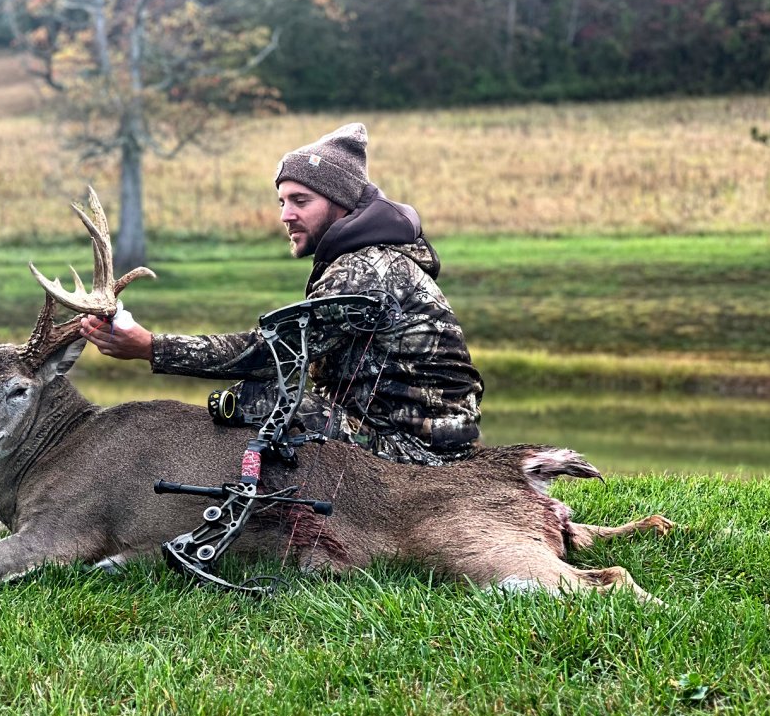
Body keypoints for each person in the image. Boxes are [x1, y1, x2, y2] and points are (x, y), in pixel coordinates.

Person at [80, 123, 484, 465]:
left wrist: (151, 346)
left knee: (257, 401)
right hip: (411, 435)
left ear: (340, 203)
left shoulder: (366, 269)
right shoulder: (363, 259)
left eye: (300, 201)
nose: (285, 215)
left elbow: (271, 353)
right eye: (282, 201)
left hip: (419, 452)